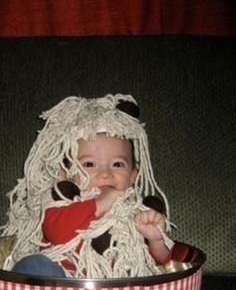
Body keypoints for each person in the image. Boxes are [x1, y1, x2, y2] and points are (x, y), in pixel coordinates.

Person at [10, 94, 176, 278]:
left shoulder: (137, 211)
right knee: (33, 266)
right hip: (63, 284)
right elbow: (56, 233)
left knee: (151, 277)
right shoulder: (61, 200)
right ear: (66, 174)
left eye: (117, 164)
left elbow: (161, 262)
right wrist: (98, 205)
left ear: (133, 176)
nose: (105, 174)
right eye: (89, 164)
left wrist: (156, 239)